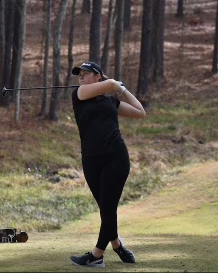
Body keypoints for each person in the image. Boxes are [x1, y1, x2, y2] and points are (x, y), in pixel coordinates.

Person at [70, 61, 146, 268]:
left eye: (87, 74)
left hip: (116, 157)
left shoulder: (111, 102)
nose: (82, 77)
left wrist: (122, 90)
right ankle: (117, 244)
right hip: (91, 160)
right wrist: (112, 83)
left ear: (98, 77)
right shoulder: (79, 95)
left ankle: (96, 256)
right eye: (80, 74)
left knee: (108, 208)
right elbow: (106, 84)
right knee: (106, 209)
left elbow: (140, 112)